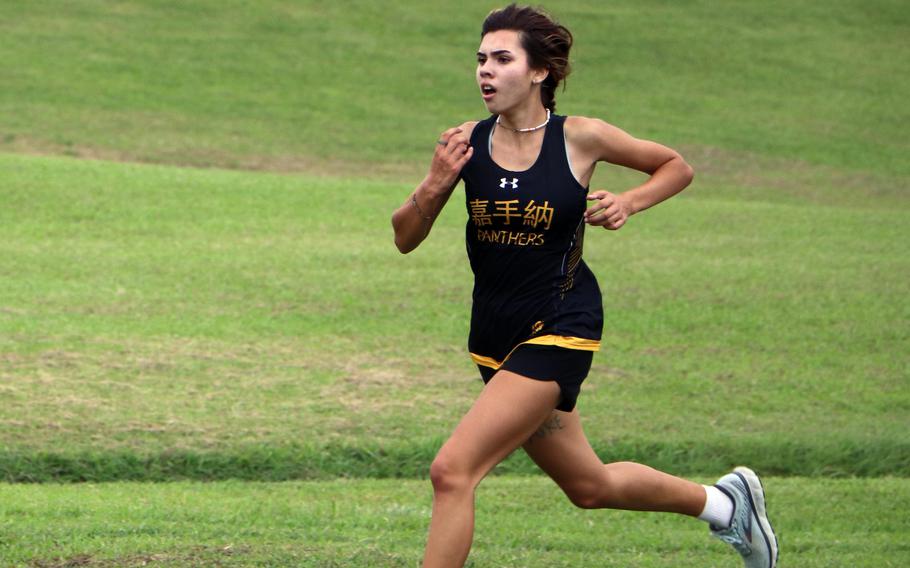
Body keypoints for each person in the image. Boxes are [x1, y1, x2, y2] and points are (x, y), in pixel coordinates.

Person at [391, 4, 778, 567]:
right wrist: (434, 181)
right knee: (588, 486)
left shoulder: (581, 137)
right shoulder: (464, 143)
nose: (485, 72)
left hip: (561, 329)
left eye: (502, 59)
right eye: (481, 60)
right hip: (495, 338)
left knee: (452, 471)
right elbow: (405, 238)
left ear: (540, 71)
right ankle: (724, 505)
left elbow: (674, 166)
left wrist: (628, 201)